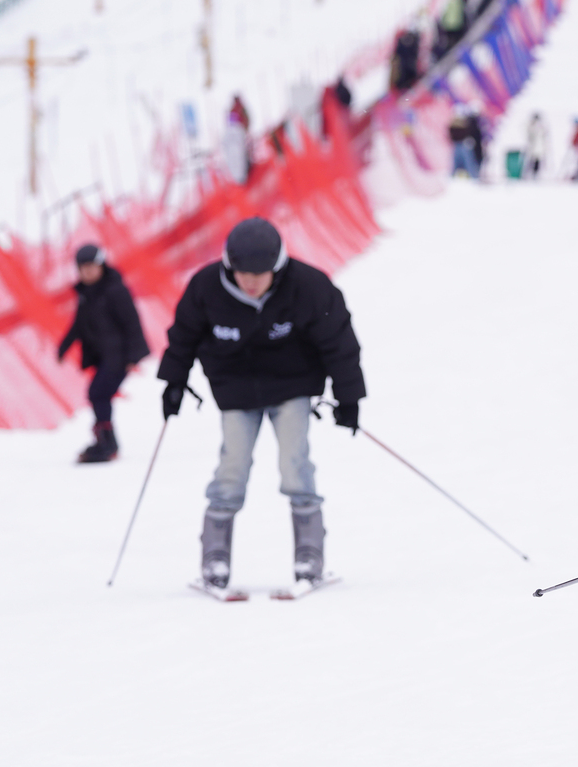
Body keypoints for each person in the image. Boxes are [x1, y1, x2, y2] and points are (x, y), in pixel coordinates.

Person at [157, 217, 365, 590]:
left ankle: (309, 554)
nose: (251, 282)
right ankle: (215, 556)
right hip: (235, 392)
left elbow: (339, 340)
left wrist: (348, 396)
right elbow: (183, 335)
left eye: (260, 274)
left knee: (294, 464)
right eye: (243, 274)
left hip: (291, 388)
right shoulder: (206, 288)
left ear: (277, 267)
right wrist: (173, 381)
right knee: (232, 468)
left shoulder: (308, 287)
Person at [56, 243, 150, 464]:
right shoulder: (86, 294)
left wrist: (133, 356)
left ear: (101, 266)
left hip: (119, 355)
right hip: (103, 355)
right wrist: (64, 346)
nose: (88, 272)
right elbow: (78, 324)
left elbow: (132, 322)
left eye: (92, 267)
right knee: (98, 394)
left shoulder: (115, 290)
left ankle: (106, 442)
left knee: (98, 392)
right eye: (83, 268)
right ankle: (106, 441)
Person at [222, 96, 252, 184]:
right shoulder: (240, 109)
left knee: (238, 152)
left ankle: (241, 177)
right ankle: (242, 176)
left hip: (238, 133)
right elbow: (247, 119)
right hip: (240, 132)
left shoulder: (233, 110)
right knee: (240, 151)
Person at [524, 112, 548, 178]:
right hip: (533, 146)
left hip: (538, 146)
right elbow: (529, 134)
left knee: (537, 160)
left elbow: (544, 135)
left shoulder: (540, 126)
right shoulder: (532, 125)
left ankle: (535, 173)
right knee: (531, 160)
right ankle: (530, 173)